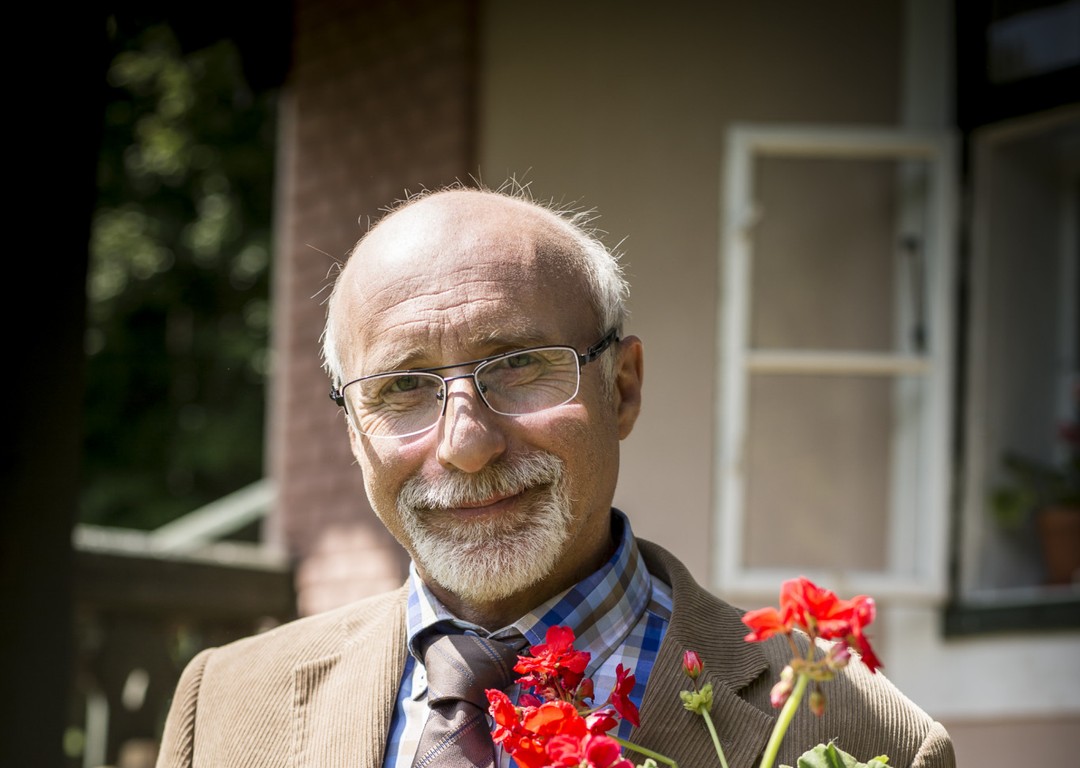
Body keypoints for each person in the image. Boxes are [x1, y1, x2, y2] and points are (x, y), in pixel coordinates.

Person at [156, 186, 955, 767]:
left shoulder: (863, 737)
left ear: (623, 389)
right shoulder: (223, 708)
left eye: (519, 366)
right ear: (353, 432)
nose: (466, 445)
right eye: (402, 387)